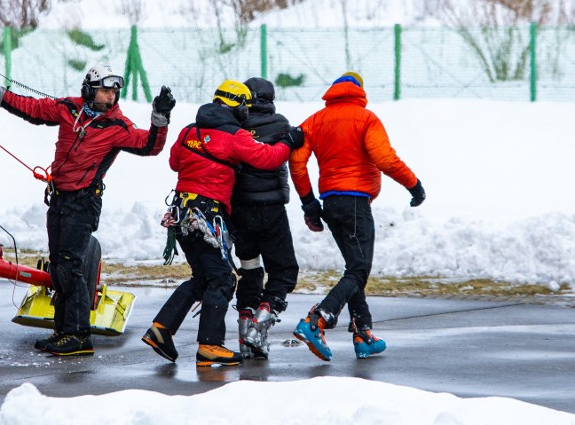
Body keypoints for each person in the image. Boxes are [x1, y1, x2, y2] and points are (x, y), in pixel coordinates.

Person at [0, 63, 174, 356]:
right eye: (105, 90)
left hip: (84, 202)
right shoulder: (69, 108)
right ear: (89, 89)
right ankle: (64, 330)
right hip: (58, 198)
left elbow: (150, 146)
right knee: (58, 266)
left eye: (114, 92)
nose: (110, 96)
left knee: (70, 266)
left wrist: (160, 118)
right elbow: (33, 108)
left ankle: (79, 335)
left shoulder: (118, 126)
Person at [142, 80, 303, 367]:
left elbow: (175, 163)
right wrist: (289, 141)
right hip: (206, 216)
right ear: (236, 106)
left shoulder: (189, 130)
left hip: (181, 213)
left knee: (203, 278)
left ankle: (161, 329)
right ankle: (210, 346)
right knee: (223, 279)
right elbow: (267, 158)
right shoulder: (235, 135)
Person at [290, 72, 425, 361]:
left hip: (331, 203)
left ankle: (363, 334)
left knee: (355, 266)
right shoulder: (366, 118)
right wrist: (414, 185)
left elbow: (297, 163)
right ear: (359, 90)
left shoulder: (314, 121)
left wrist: (309, 204)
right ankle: (318, 319)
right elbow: (384, 158)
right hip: (355, 203)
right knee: (359, 268)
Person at [229, 77, 299, 359]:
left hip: (239, 209)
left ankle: (245, 330)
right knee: (283, 270)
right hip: (271, 210)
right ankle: (262, 321)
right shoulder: (282, 124)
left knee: (250, 269)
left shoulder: (234, 126)